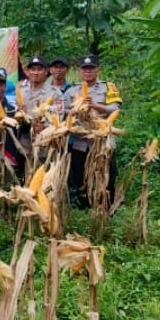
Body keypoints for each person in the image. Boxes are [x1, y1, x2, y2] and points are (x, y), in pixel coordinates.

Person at [64, 54, 122, 208]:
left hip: (103, 141)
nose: (87, 71)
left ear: (98, 70)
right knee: (80, 176)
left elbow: (115, 109)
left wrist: (95, 106)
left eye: (91, 68)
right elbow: (64, 111)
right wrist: (77, 110)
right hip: (80, 141)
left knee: (108, 174)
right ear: (79, 71)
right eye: (84, 69)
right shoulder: (71, 91)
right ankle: (84, 206)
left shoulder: (108, 87)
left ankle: (108, 206)